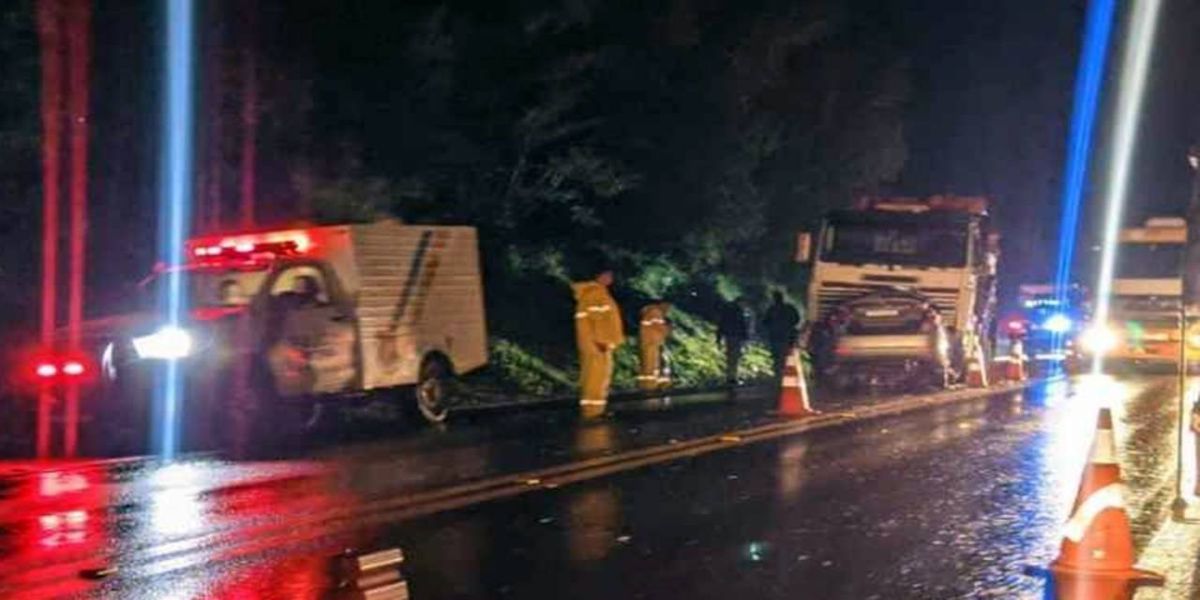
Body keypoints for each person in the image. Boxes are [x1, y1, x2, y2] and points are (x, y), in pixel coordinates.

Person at [571, 265, 625, 408]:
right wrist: (602, 341)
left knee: (593, 378)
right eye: (608, 275)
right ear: (599, 276)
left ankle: (593, 411)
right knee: (596, 379)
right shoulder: (596, 294)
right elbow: (598, 320)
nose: (610, 279)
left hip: (594, 344)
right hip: (597, 345)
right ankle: (592, 413)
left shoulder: (595, 293)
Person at [763, 291, 801, 377]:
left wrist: (772, 327)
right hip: (788, 336)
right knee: (787, 355)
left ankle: (778, 373)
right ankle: (786, 371)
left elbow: (765, 322)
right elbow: (796, 319)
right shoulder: (789, 308)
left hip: (775, 336)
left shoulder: (772, 309)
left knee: (776, 355)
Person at [717, 296, 751, 385]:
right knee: (735, 358)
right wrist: (746, 338)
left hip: (728, 336)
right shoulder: (738, 311)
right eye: (743, 303)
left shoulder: (727, 310)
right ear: (740, 302)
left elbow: (721, 323)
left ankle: (729, 377)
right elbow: (742, 325)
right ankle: (733, 378)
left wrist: (719, 337)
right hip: (736, 337)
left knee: (730, 357)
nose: (744, 306)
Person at [638, 301, 672, 390]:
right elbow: (660, 328)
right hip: (652, 343)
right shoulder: (655, 312)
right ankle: (650, 386)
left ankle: (657, 385)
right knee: (651, 365)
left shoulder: (652, 312)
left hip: (653, 343)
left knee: (654, 365)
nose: (668, 310)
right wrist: (668, 329)